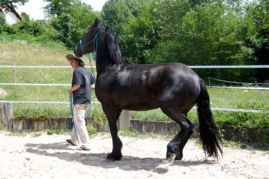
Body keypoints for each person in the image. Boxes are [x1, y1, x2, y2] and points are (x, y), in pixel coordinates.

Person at [65, 54, 95, 151]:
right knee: (77, 119)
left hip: (79, 100)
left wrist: (71, 90)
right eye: (70, 63)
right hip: (86, 100)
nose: (71, 64)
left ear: (77, 61)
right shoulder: (86, 71)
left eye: (72, 62)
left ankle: (86, 144)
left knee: (79, 121)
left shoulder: (77, 71)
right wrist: (86, 89)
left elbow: (77, 84)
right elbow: (93, 85)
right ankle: (74, 140)